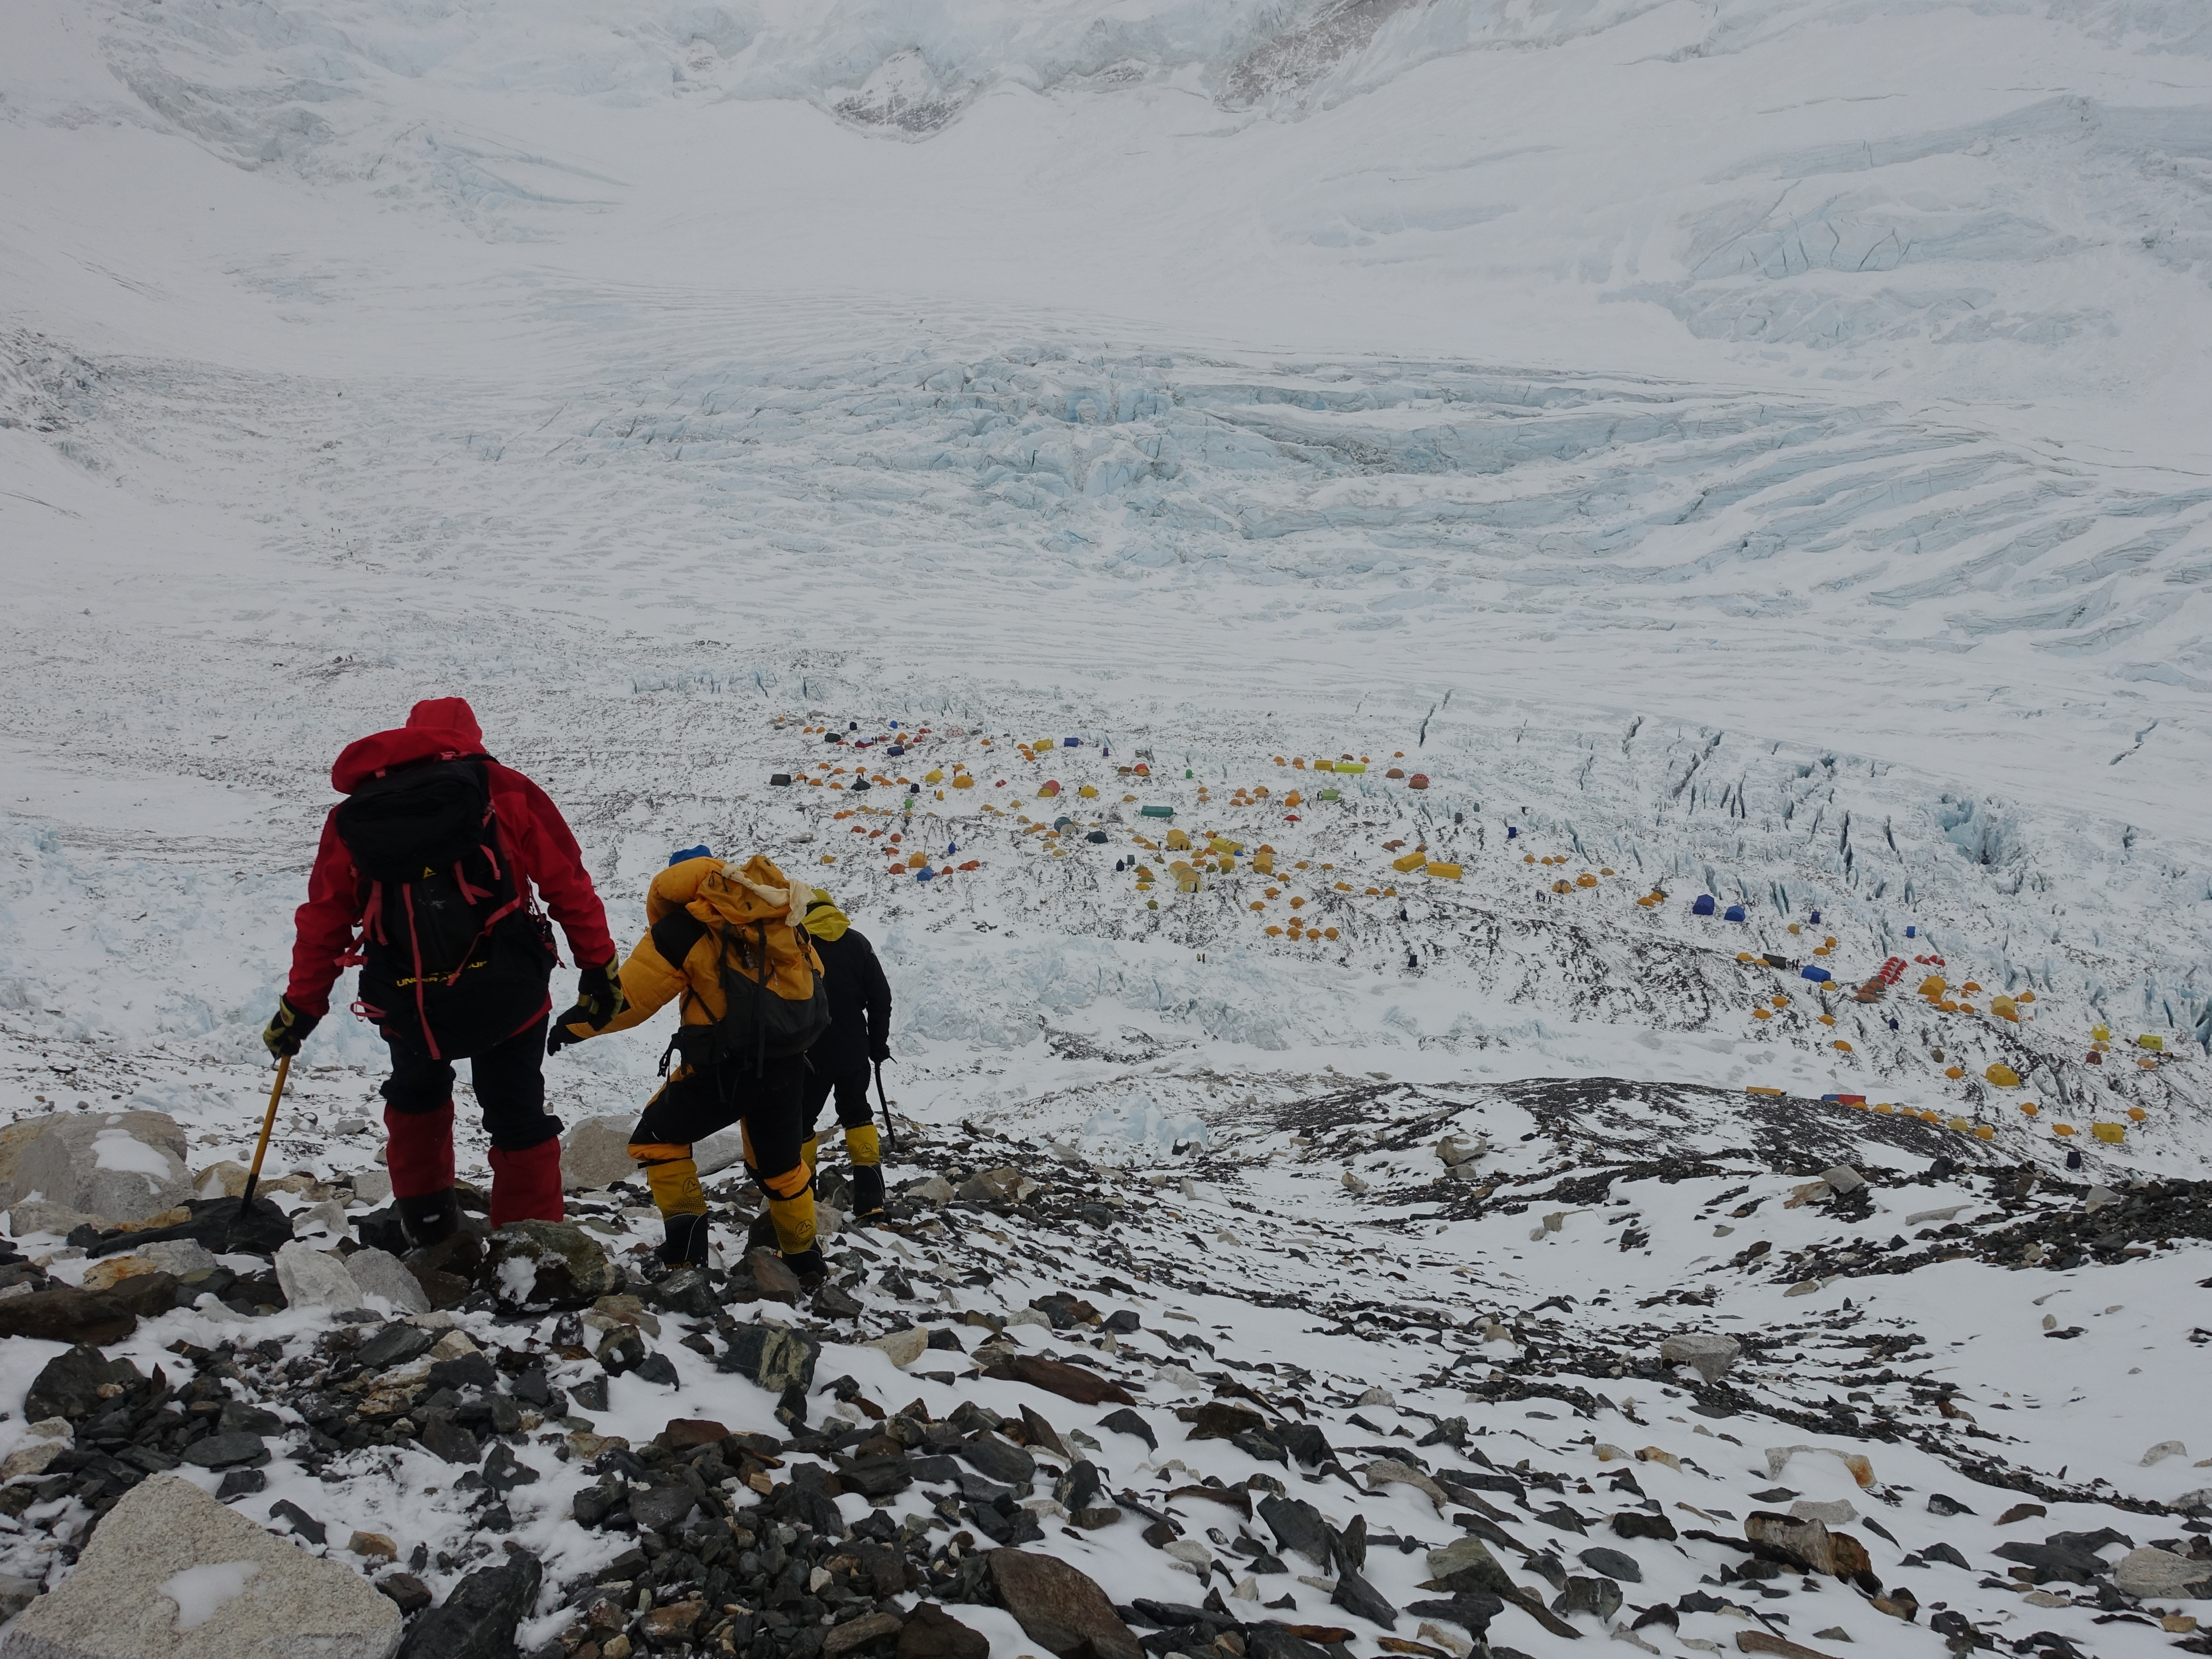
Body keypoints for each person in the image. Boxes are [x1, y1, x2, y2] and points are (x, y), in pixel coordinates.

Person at [264, 697, 622, 1247]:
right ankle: (531, 1250)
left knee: (417, 1093)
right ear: (471, 738)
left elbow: (325, 918)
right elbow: (567, 886)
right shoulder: (504, 789)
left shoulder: (356, 813)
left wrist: (301, 1006)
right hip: (510, 990)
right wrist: (599, 969)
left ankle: (429, 1229)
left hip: (409, 997)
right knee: (518, 1110)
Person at [552, 847, 830, 1283]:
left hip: (721, 1069)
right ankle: (806, 1264)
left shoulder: (686, 928)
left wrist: (573, 1026)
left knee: (657, 1139)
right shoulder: (774, 919)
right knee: (780, 1167)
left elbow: (632, 998)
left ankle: (686, 1254)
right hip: (786, 1065)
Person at [798, 889, 893, 1222]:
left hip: (810, 1050)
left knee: (802, 1120)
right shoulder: (857, 943)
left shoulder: (800, 944)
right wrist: (878, 1045)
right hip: (854, 1046)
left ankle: (801, 1197)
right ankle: (870, 1199)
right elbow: (881, 998)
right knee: (857, 1114)